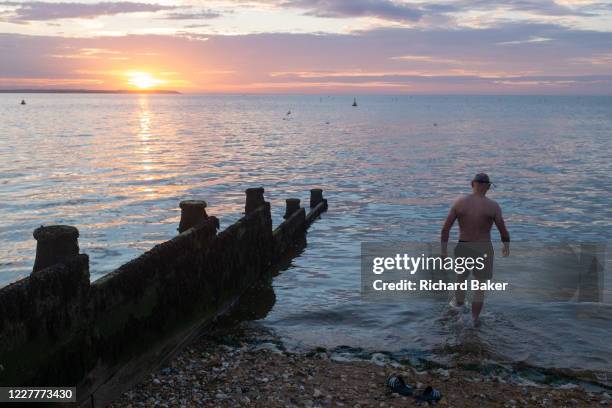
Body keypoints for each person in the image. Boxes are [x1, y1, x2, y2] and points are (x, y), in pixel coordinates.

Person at [441, 173, 510, 324]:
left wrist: (444, 252)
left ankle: (457, 313)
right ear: (488, 186)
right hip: (483, 248)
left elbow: (445, 229)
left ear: (472, 184)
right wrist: (506, 246)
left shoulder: (459, 202)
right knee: (480, 287)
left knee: (460, 281)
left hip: (464, 246)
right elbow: (503, 230)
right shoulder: (493, 206)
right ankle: (473, 321)